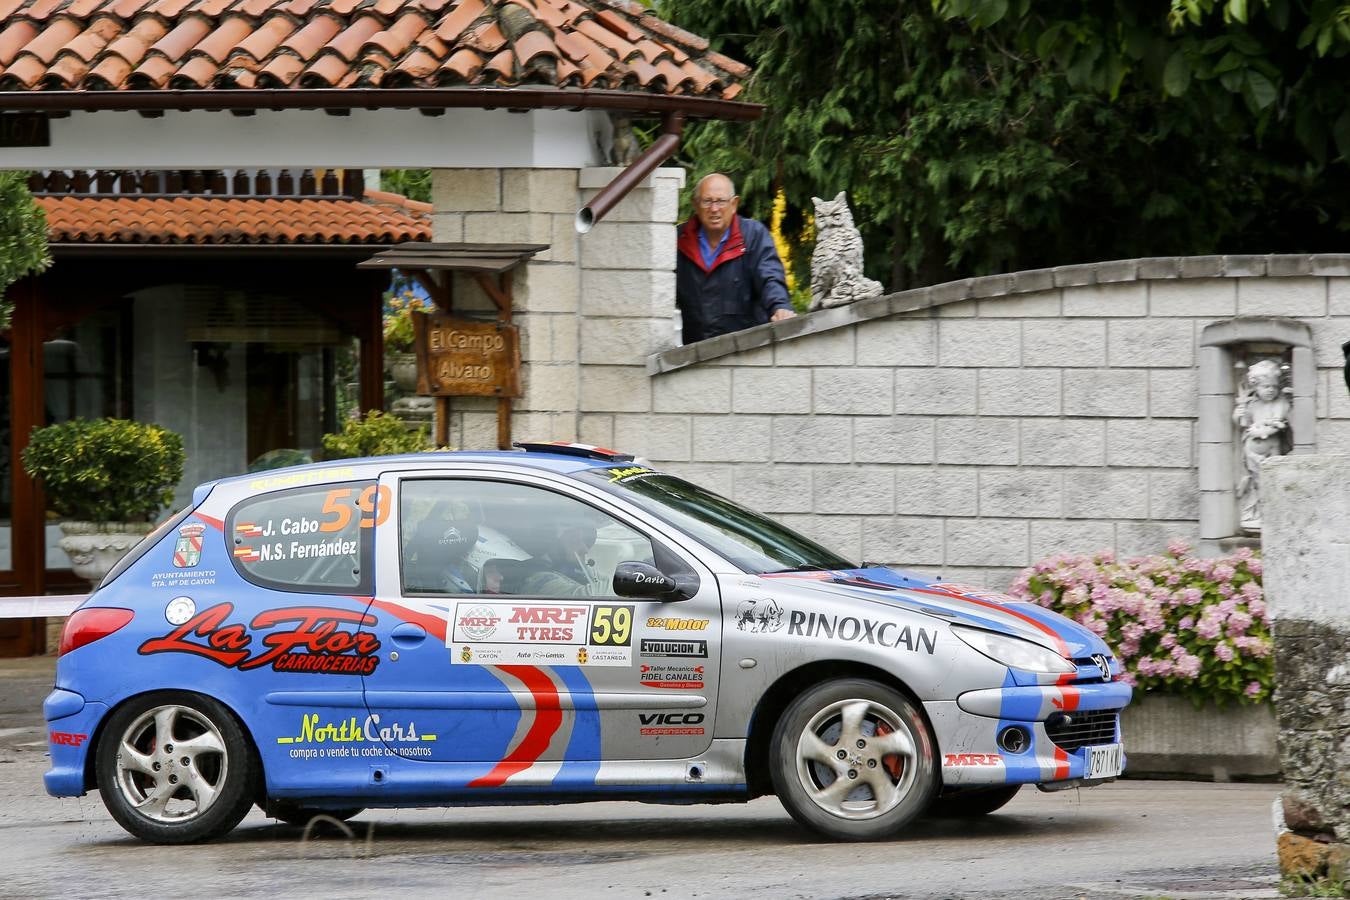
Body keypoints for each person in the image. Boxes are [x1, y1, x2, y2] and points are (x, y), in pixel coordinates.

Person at [675, 173, 796, 344]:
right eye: (707, 201)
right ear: (695, 204)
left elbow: (770, 277)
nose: (714, 208)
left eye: (721, 201)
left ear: (734, 204)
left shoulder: (753, 235)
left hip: (747, 352)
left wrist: (780, 307)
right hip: (695, 355)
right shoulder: (679, 239)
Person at [1232, 358, 1292, 530]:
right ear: (1255, 387)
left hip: (1273, 449)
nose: (1270, 390)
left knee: (1272, 480)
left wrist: (1262, 431)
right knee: (1256, 483)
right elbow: (1242, 423)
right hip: (1252, 452)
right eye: (1266, 387)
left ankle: (1272, 513)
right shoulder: (1252, 404)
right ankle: (1255, 514)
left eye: (1274, 386)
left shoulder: (1281, 403)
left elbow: (1279, 425)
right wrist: (1239, 414)